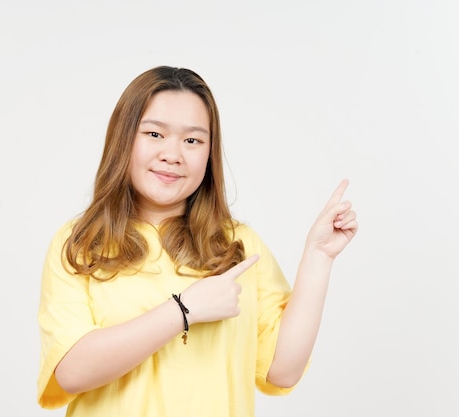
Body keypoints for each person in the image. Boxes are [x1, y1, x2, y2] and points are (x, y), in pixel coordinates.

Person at [37, 65, 358, 417]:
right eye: (154, 134)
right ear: (123, 138)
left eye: (192, 140)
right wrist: (183, 310)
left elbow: (282, 370)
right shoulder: (81, 243)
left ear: (209, 153)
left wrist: (319, 257)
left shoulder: (237, 246)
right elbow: (71, 371)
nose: (173, 154)